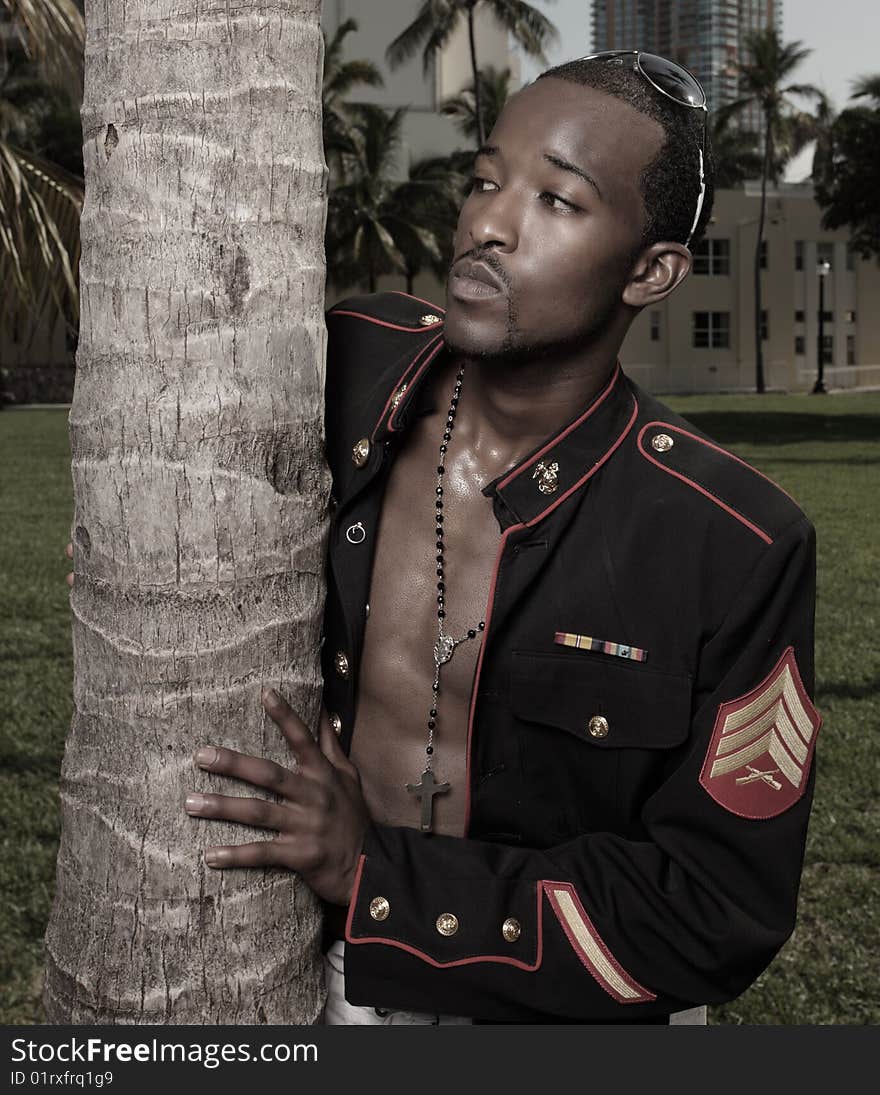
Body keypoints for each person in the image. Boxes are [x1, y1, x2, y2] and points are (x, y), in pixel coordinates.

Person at [73, 53, 820, 1024]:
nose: (487, 224)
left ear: (651, 270)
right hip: (319, 978)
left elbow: (713, 911)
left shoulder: (730, 542)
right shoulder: (339, 366)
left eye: (557, 201)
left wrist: (375, 872)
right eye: (483, 179)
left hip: (563, 1006)